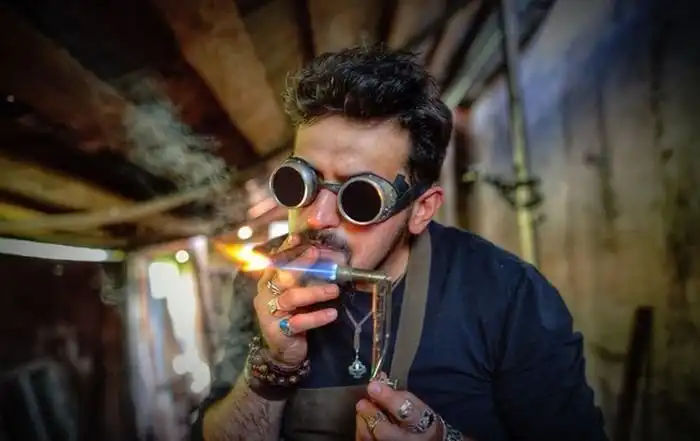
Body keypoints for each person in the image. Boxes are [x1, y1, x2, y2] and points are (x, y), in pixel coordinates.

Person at [192, 44, 608, 441]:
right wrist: (272, 365)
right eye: (301, 183)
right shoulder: (263, 281)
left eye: (360, 198)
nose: (316, 217)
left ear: (422, 209)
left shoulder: (507, 296)